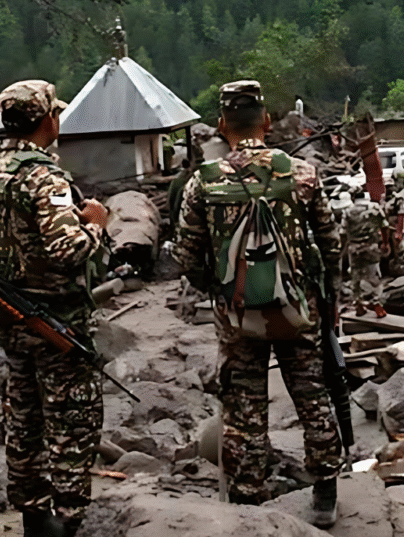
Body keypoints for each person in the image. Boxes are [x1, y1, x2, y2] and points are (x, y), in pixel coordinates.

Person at [173, 81, 344, 526]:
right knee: (312, 395)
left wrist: (220, 291)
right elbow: (331, 243)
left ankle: (249, 500)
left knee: (243, 407)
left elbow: (186, 256)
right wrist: (327, 296)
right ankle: (325, 492)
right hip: (297, 309)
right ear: (267, 121)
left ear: (221, 125)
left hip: (237, 314)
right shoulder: (302, 174)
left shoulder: (202, 182)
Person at [0, 80, 108, 537]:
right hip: (54, 322)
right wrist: (96, 225)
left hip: (7, 317)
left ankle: (33, 516)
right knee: (72, 420)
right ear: (48, 120)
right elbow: (67, 250)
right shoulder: (44, 176)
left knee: (23, 416)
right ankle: (67, 520)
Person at [344, 192, 390, 317]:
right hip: (371, 247)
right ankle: (377, 305)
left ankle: (358, 305)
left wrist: (345, 247)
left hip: (354, 249)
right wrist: (385, 243)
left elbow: (343, 232)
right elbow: (384, 226)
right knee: (374, 276)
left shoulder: (348, 211)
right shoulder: (374, 208)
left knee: (355, 277)